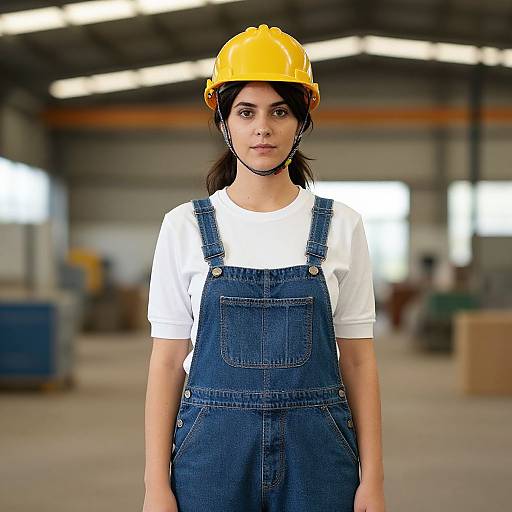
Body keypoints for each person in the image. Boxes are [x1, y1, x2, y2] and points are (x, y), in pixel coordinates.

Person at [143, 24, 386, 512]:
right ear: (223, 122)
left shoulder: (342, 225)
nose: (263, 128)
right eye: (245, 111)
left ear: (301, 121)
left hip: (319, 453)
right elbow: (167, 362)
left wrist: (374, 480)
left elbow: (358, 361)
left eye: (280, 111)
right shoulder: (184, 227)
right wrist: (156, 487)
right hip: (210, 454)